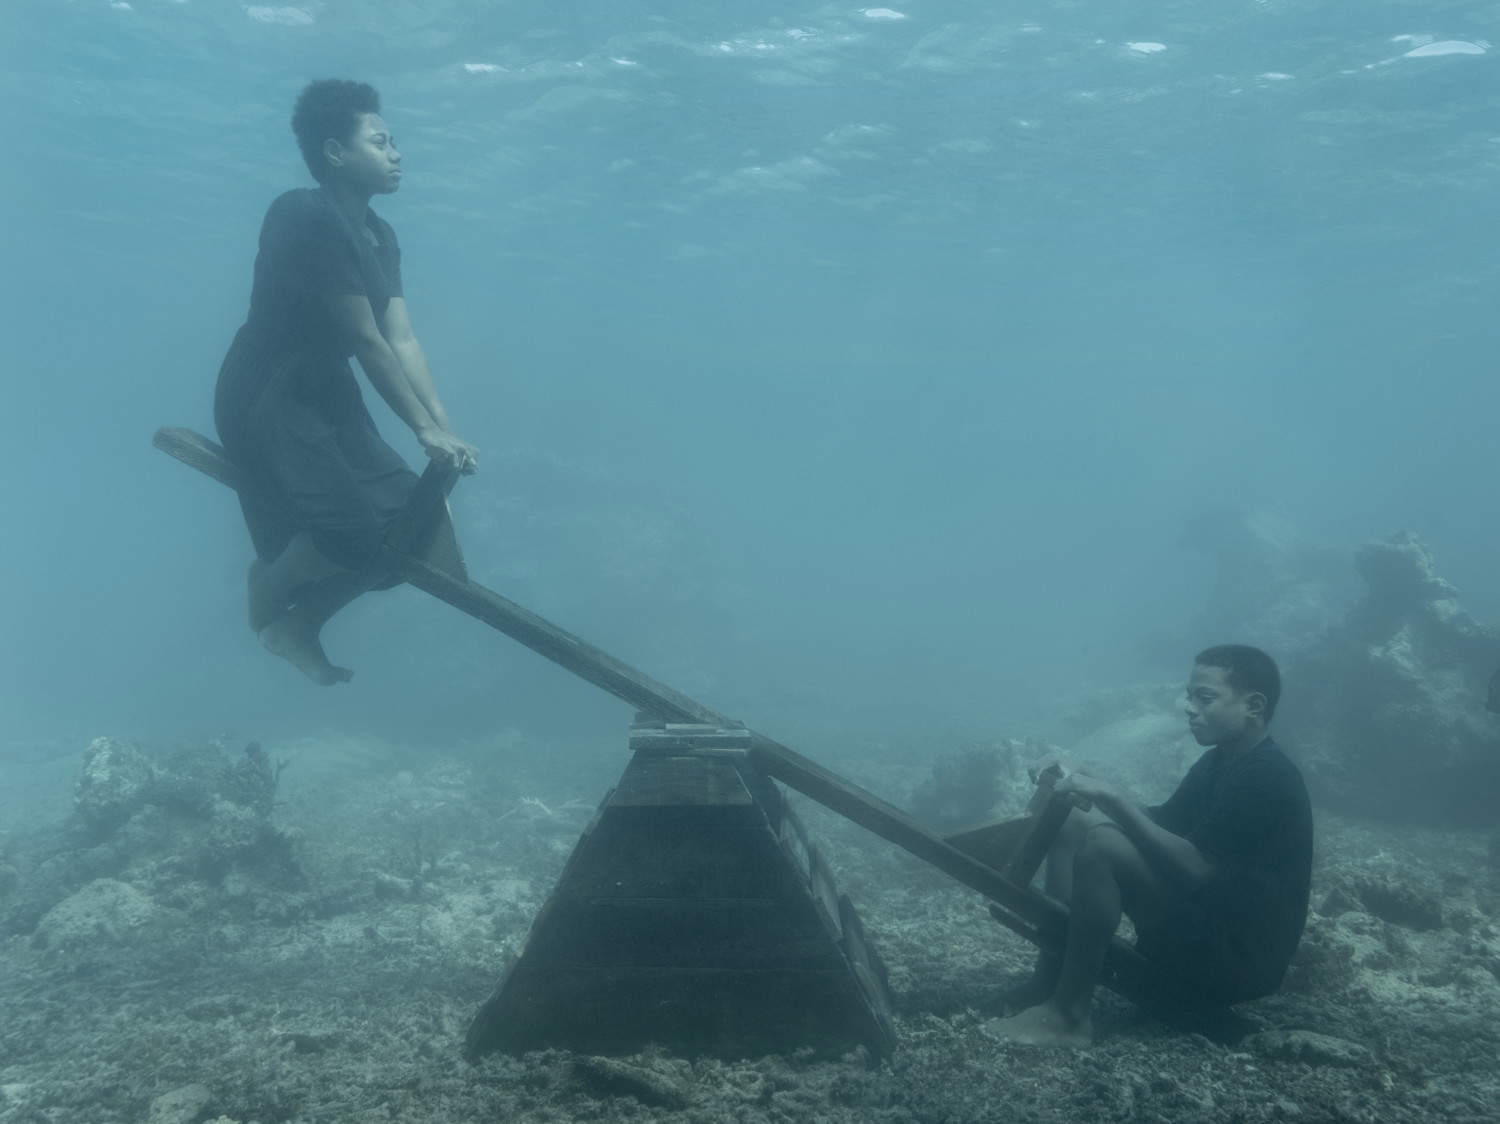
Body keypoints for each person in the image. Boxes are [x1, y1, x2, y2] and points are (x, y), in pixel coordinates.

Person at [214, 79, 478, 685]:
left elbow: (401, 338)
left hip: (327, 393)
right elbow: (364, 340)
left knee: (412, 530)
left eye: (394, 142)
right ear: (335, 152)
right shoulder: (303, 214)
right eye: (381, 141)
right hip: (269, 391)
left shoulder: (379, 234)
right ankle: (271, 585)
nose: (397, 153)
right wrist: (420, 429)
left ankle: (299, 624)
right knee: (354, 537)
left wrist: (441, 427)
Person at [988, 644, 1313, 1048]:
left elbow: (1195, 869)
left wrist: (1111, 798)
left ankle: (1068, 1017)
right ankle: (1049, 981)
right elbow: (1161, 824)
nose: (1188, 707)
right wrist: (1089, 778)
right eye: (1190, 695)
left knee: (1105, 846)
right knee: (1075, 817)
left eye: (1204, 697)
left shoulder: (1266, 777)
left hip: (1235, 961)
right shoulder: (1221, 761)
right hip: (1205, 927)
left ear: (1254, 705)